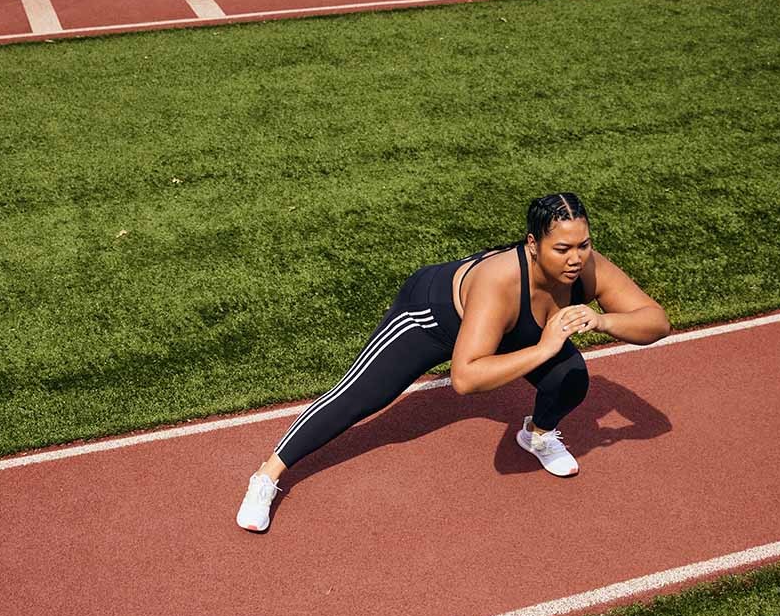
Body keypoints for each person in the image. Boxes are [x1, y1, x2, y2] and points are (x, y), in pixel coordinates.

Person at [236, 192, 671, 532]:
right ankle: (267, 474)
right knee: (361, 396)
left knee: (572, 377)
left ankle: (536, 436)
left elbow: (656, 322)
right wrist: (542, 349)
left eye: (583, 245)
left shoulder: (588, 269)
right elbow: (464, 377)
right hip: (432, 318)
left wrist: (602, 319)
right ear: (533, 246)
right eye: (562, 248)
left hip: (510, 327)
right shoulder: (499, 281)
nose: (575, 259)